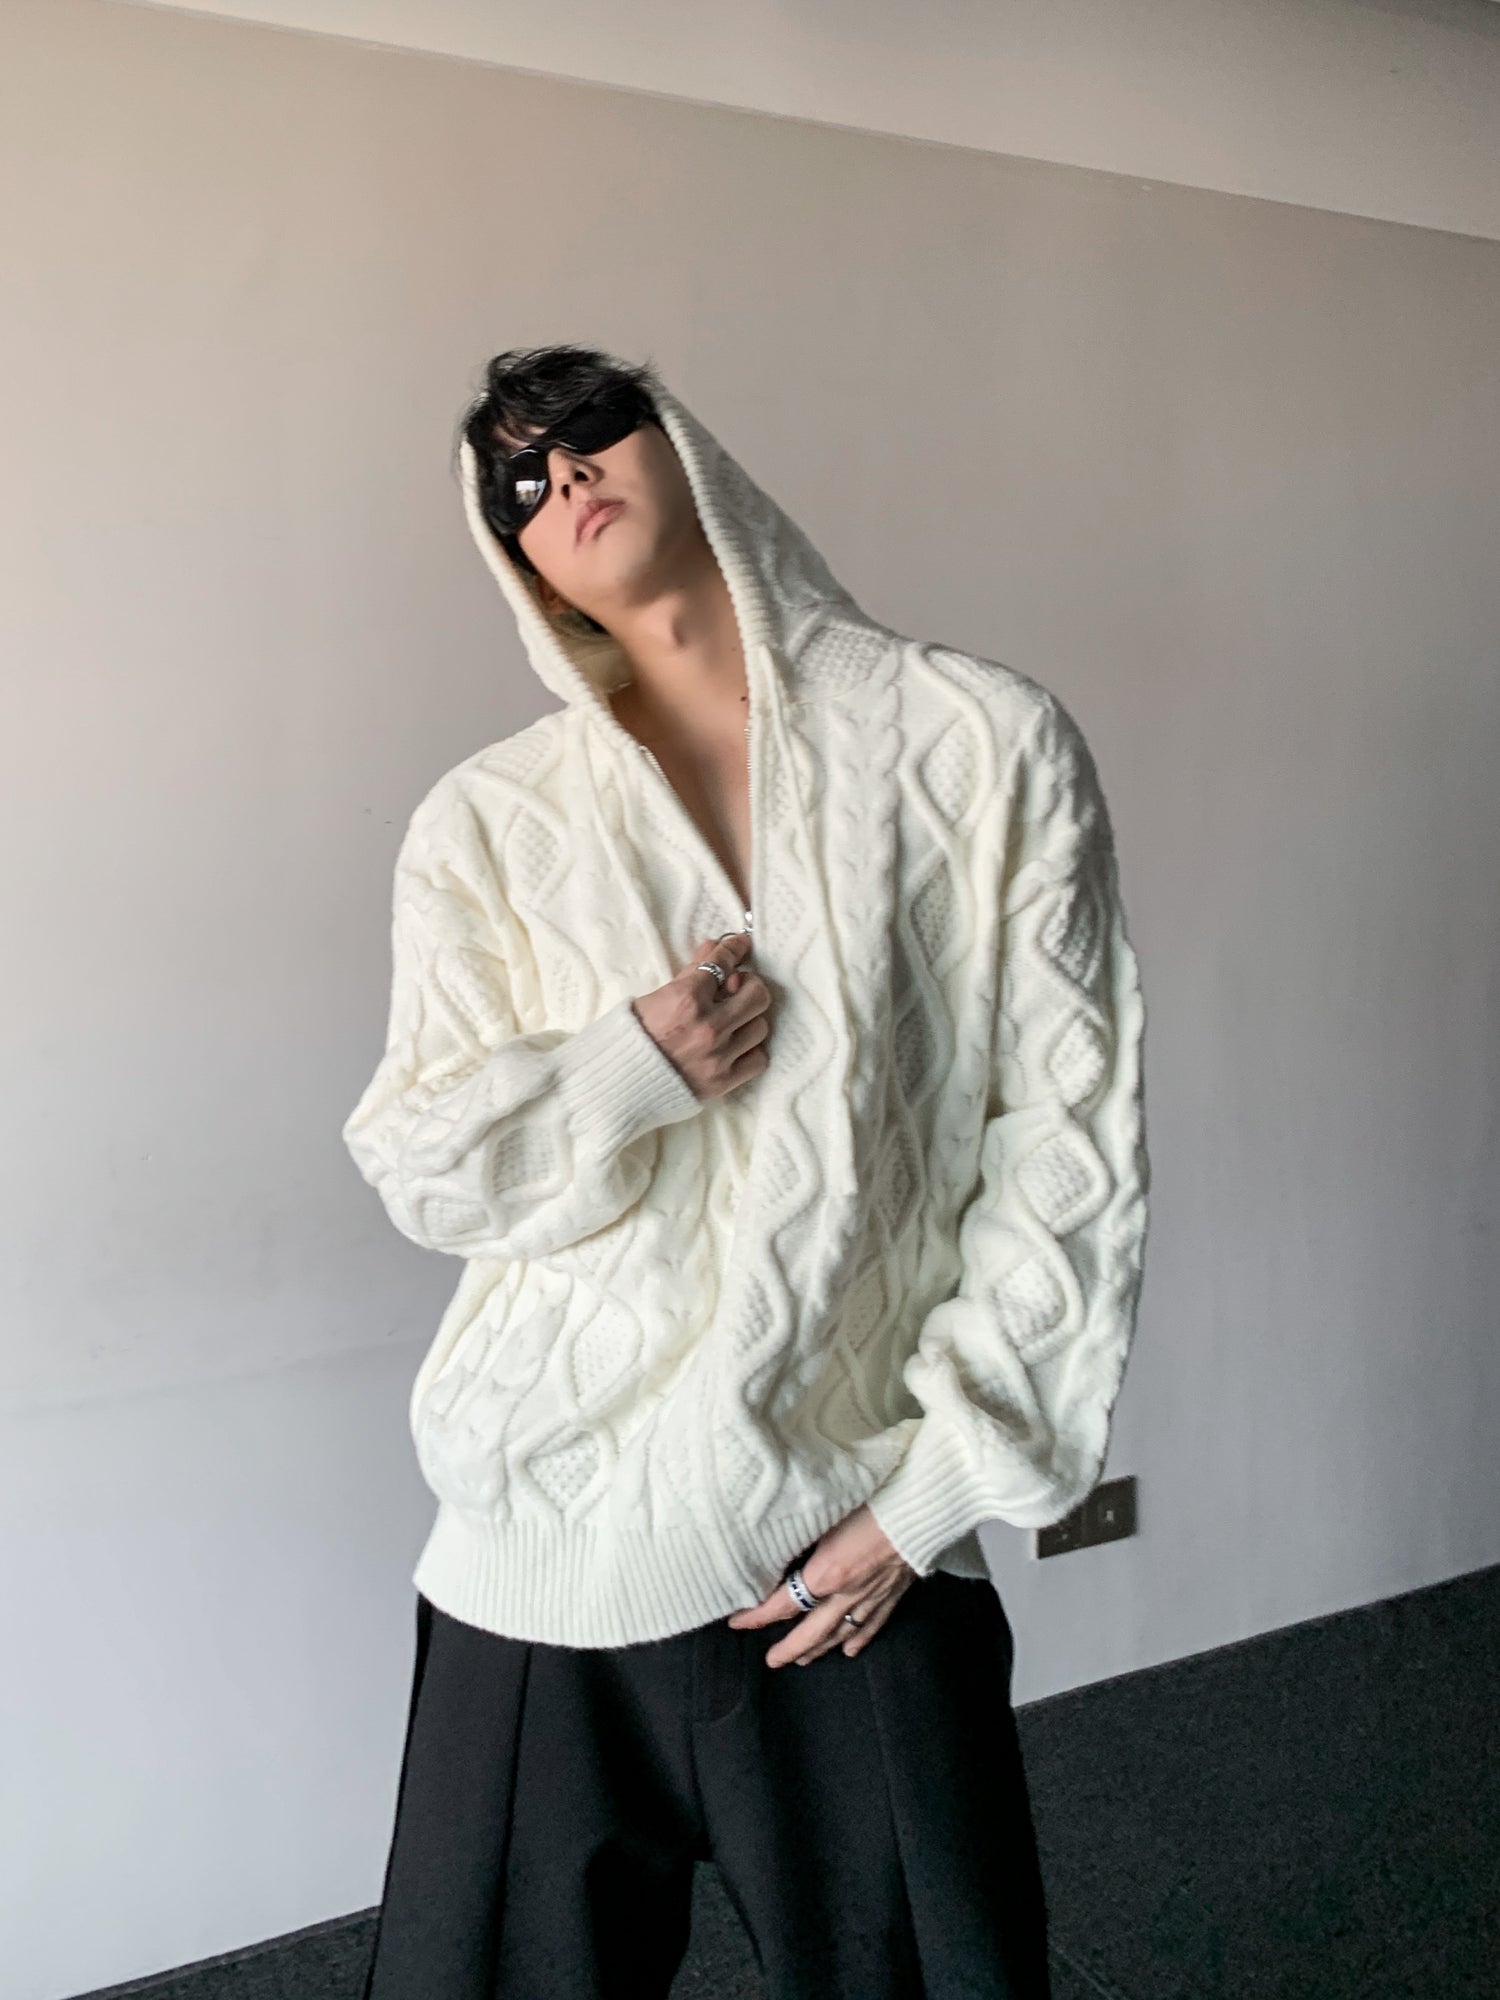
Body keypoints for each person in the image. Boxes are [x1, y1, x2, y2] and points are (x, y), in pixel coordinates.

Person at [342, 343, 1151, 1998]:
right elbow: (426, 1171)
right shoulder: (483, 822)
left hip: (847, 1542)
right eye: (516, 480)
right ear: (514, 558)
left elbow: (1067, 1147)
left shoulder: (981, 741)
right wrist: (627, 1069)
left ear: (684, 444)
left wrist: (933, 1497)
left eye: (589, 428)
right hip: (543, 1545)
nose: (561, 477)